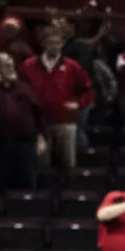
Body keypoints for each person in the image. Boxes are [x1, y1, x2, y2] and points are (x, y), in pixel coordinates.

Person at [21, 26, 94, 173]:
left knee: (68, 165)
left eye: (57, 43)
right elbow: (21, 91)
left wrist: (79, 103)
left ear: (62, 44)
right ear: (43, 43)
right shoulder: (28, 66)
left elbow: (88, 90)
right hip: (39, 124)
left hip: (66, 122)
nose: (54, 46)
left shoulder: (72, 66)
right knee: (42, 165)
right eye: (50, 42)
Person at [0, 52, 41, 195]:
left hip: (23, 143)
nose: (11, 67)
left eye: (11, 64)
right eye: (6, 65)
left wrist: (41, 137)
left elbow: (37, 111)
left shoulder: (23, 87)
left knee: (26, 181)